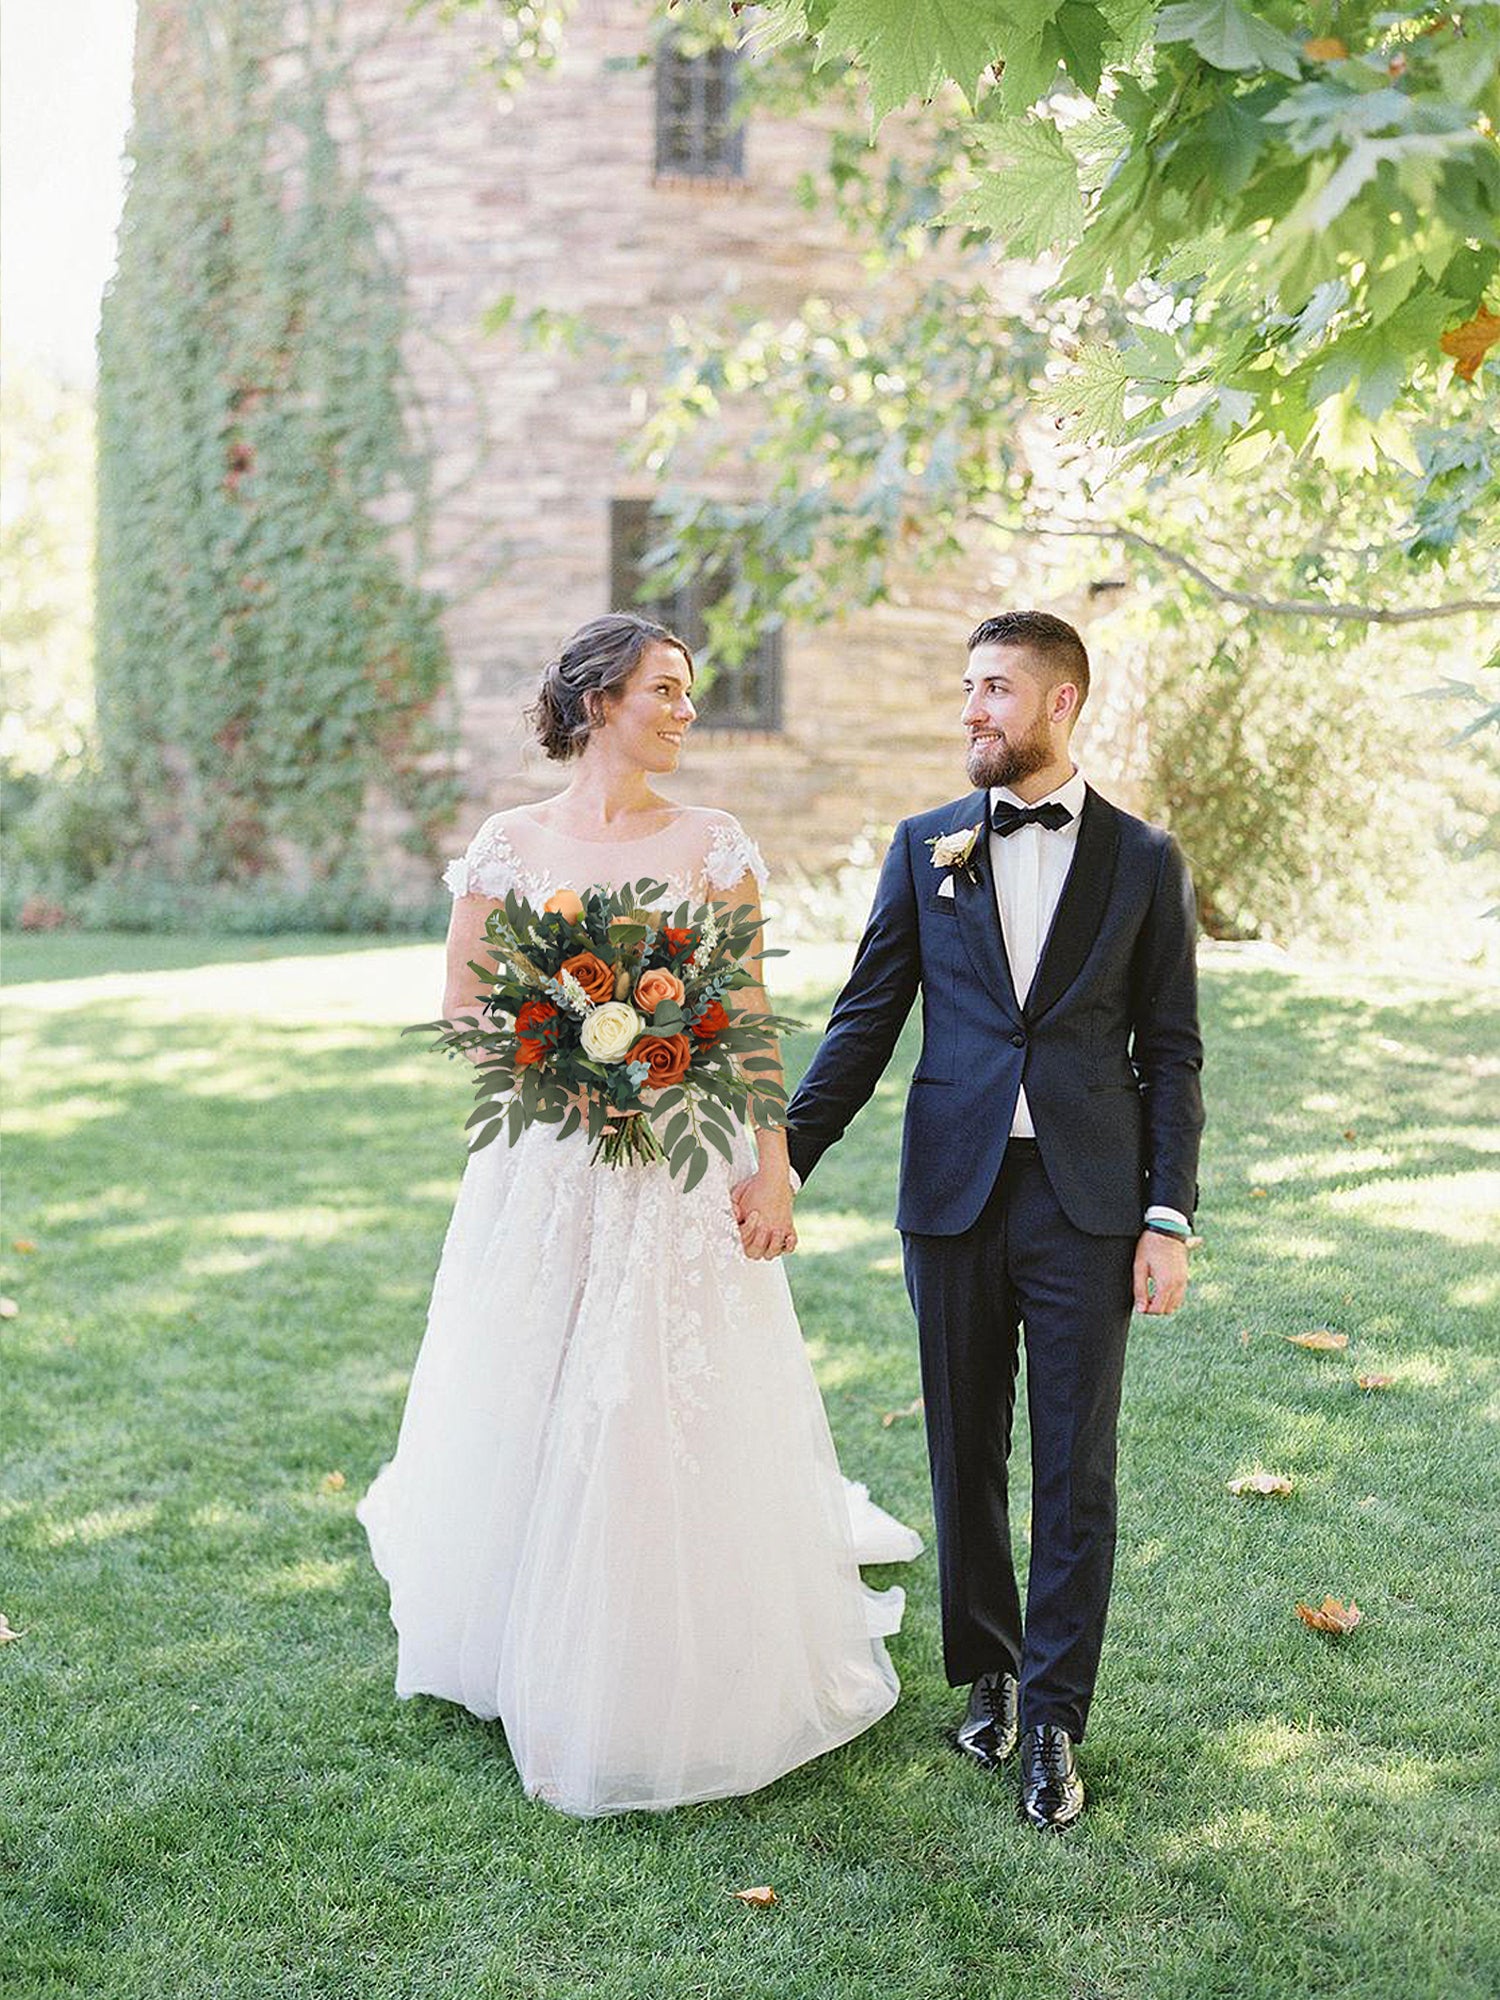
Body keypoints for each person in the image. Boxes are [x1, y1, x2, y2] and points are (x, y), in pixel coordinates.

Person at [356, 611, 919, 1818]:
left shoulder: (716, 846)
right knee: (534, 1367)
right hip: (549, 1161)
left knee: (657, 1378)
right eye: (665, 688)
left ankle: (663, 1610)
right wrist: (564, 1054)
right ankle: (514, 1605)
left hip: (680, 1161)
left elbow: (753, 1018)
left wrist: (770, 1166)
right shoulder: (509, 843)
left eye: (692, 692)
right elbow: (463, 1005)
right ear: (600, 695)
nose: (686, 710)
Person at [736, 610, 1204, 1830]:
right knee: (962, 1449)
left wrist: (1168, 1213)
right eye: (965, 690)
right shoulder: (925, 843)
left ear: (1060, 703)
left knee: (1075, 1464)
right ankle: (988, 1670)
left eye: (994, 689)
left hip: (1088, 1202)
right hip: (951, 1194)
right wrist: (786, 1156)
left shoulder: (1145, 859)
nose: (971, 712)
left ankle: (1054, 1715)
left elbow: (1173, 1051)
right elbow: (866, 1017)